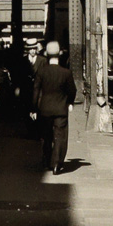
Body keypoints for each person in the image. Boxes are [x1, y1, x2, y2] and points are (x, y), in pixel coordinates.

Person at [32, 41, 76, 175]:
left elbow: (36, 91)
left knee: (46, 136)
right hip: (61, 110)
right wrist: (69, 103)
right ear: (60, 54)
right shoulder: (66, 73)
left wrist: (33, 109)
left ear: (46, 54)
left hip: (44, 109)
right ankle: (57, 164)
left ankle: (46, 161)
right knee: (60, 136)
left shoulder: (41, 71)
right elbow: (72, 91)